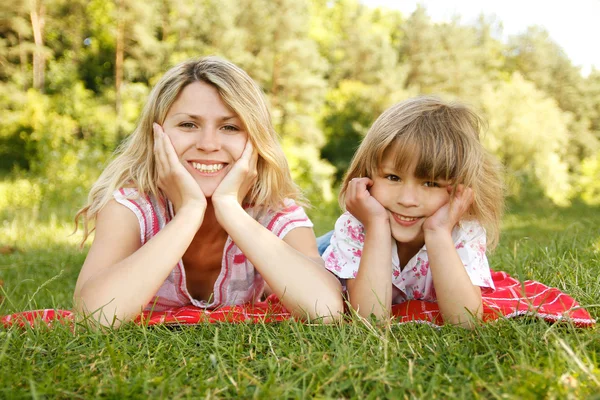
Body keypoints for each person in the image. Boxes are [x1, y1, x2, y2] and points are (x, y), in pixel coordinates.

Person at [73, 56, 343, 327]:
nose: (208, 144)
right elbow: (93, 316)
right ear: (156, 134)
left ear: (256, 140)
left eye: (230, 127)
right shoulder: (132, 207)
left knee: (327, 255)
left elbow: (326, 310)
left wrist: (229, 208)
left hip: (314, 245)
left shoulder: (274, 211)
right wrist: (189, 212)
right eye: (188, 125)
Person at [320, 96, 504, 328]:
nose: (407, 200)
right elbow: (369, 319)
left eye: (430, 183)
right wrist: (376, 225)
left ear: (459, 188)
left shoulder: (463, 230)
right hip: (326, 248)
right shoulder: (356, 226)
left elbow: (466, 321)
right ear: (368, 174)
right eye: (393, 177)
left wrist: (438, 232)